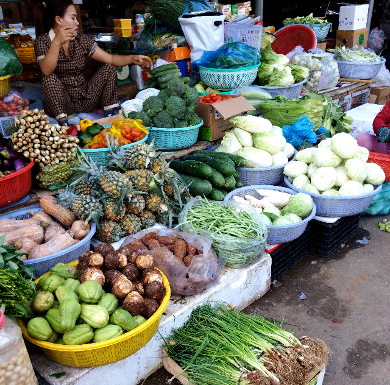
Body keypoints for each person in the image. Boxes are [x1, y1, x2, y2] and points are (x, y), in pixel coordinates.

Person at [34, 0, 153, 125]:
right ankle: (64, 124)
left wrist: (133, 59)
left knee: (108, 69)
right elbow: (46, 70)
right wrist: (57, 42)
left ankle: (111, 115)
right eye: (73, 18)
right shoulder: (43, 42)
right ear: (59, 20)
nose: (77, 22)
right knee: (49, 78)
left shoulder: (80, 41)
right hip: (62, 104)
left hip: (85, 99)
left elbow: (111, 59)